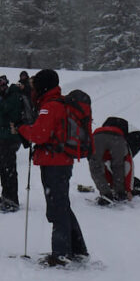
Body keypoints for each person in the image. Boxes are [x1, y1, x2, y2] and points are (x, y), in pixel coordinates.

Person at [16, 69, 88, 266]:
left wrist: (21, 128)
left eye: (36, 86)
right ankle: (77, 249)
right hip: (60, 160)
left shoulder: (50, 106)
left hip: (54, 161)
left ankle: (61, 253)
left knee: (57, 208)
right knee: (62, 205)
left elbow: (39, 134)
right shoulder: (57, 102)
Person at [0, 77, 28, 212]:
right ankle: (6, 195)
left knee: (8, 167)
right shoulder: (7, 96)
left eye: (1, 87)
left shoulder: (14, 96)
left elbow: (2, 109)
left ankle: (12, 199)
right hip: (5, 135)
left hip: (12, 136)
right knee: (3, 166)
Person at [89, 117, 140, 202]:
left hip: (135, 137)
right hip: (118, 136)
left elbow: (127, 164)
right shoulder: (110, 133)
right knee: (118, 164)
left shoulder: (102, 138)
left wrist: (128, 189)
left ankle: (129, 188)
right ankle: (120, 191)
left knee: (118, 164)